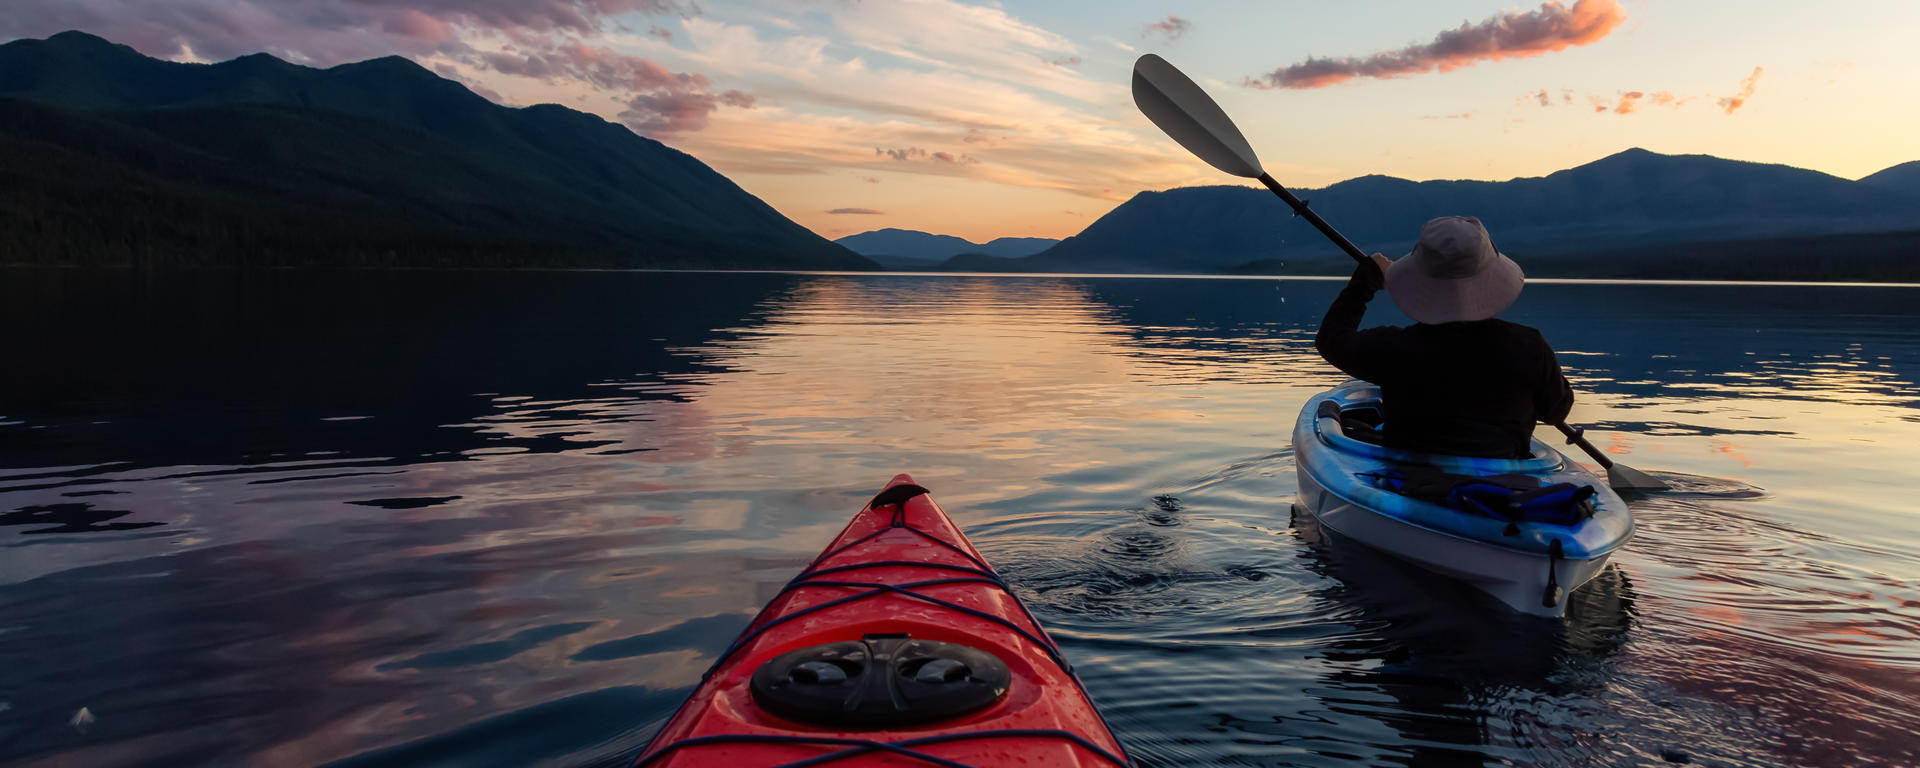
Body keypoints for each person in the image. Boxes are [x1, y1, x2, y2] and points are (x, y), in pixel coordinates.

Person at [1314, 216, 1573, 459]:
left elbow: (1331, 339)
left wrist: (1364, 282)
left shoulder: (1394, 348)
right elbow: (1556, 411)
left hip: (1410, 484)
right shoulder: (1530, 347)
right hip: (1508, 488)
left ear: (1420, 277)